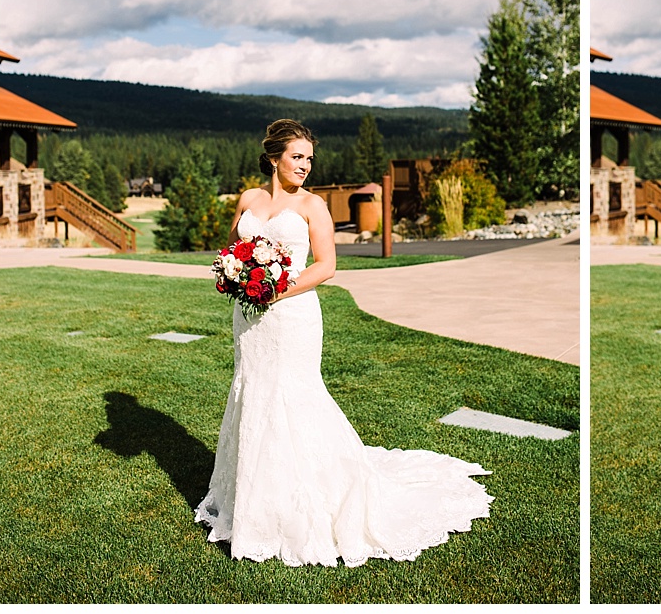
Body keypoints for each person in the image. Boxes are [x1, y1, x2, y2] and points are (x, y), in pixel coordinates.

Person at [195, 119, 492, 567]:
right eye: (297, 157)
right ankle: (255, 501)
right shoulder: (249, 200)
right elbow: (231, 249)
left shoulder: (314, 206)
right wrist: (235, 273)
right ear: (274, 157)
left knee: (294, 397)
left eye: (309, 159)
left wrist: (276, 289)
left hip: (292, 316)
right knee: (253, 393)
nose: (305, 166)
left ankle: (311, 500)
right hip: (250, 320)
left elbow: (326, 266)